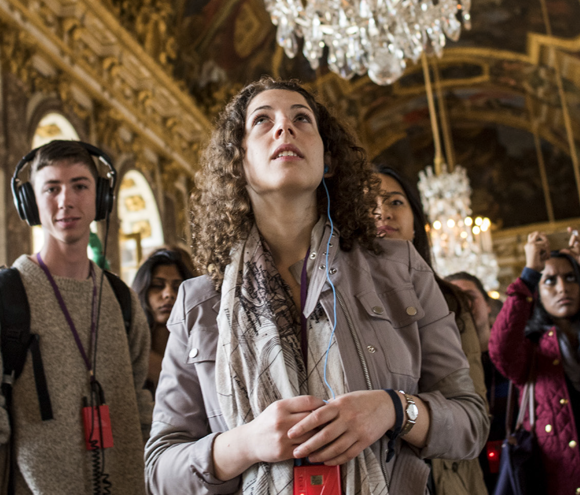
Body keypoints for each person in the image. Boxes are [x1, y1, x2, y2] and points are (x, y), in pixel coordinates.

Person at [145, 77, 489, 495]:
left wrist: (395, 409)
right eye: (262, 121)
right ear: (239, 161)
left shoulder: (401, 269)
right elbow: (160, 468)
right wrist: (247, 444)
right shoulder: (197, 302)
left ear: (327, 159)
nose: (284, 127)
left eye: (301, 118)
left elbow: (471, 424)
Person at [5, 139, 152, 495]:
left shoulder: (123, 301)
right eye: (51, 188)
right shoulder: (7, 296)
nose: (65, 200)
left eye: (80, 186)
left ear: (101, 198)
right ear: (30, 203)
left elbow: (140, 405)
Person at [375, 165, 489, 495]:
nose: (383, 212)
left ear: (416, 224)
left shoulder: (450, 301)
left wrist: (399, 412)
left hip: (448, 473)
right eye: (368, 204)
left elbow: (472, 412)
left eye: (395, 202)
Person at [488, 230, 580, 493]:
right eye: (550, 280)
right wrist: (529, 274)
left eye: (571, 278)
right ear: (537, 292)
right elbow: (500, 349)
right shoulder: (531, 349)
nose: (562, 288)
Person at [445, 272, 508, 492]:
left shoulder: (511, 357)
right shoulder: (445, 371)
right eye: (453, 297)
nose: (463, 303)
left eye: (470, 296)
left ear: (488, 305)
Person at [132, 248, 194, 395]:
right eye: (157, 286)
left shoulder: (198, 347)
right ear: (143, 291)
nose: (168, 294)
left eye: (177, 287)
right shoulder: (131, 349)